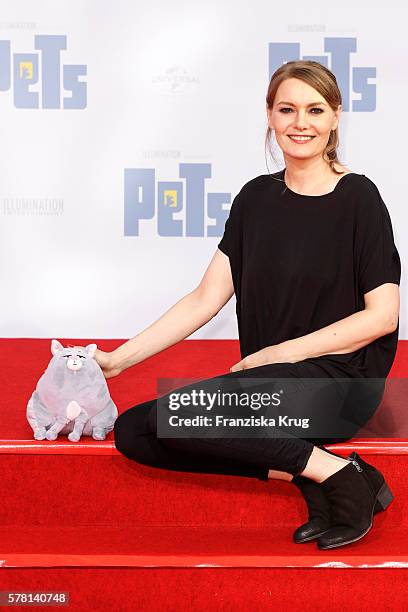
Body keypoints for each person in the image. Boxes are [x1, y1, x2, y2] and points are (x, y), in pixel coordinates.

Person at [95, 60, 401, 550]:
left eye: (315, 110)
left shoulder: (358, 197)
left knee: (178, 416)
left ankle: (342, 477)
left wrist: (277, 355)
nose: (301, 122)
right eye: (288, 109)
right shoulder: (255, 198)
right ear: (270, 117)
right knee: (135, 431)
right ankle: (314, 473)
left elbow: (382, 316)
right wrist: (117, 360)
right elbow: (204, 299)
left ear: (335, 117)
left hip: (341, 383)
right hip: (267, 386)